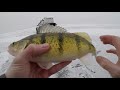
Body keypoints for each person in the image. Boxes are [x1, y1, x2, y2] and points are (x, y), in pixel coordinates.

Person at [0, 35, 120, 78]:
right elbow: (44, 64)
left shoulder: (30, 46)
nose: (12, 46)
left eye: (14, 44)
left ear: (25, 44)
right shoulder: (25, 59)